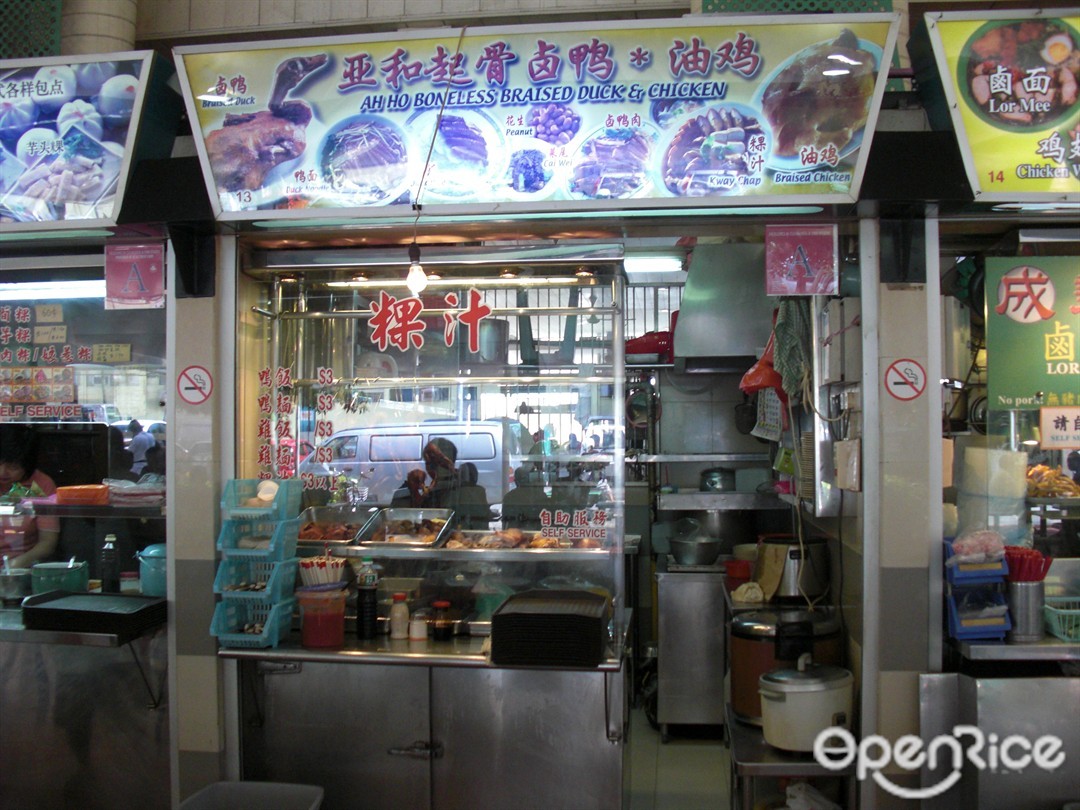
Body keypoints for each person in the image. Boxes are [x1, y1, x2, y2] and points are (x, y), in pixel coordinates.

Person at [0, 425, 60, 568]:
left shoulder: (41, 485)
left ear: (27, 465)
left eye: (13, 466)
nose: (2, 472)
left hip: (19, 568)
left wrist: (12, 567)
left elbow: (47, 543)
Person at [455, 461, 495, 529]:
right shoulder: (479, 491)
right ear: (475, 476)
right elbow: (484, 512)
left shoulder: (455, 491)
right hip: (478, 528)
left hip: (461, 528)